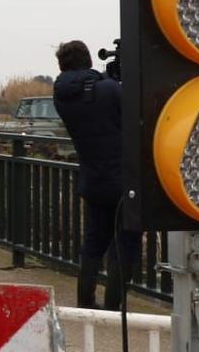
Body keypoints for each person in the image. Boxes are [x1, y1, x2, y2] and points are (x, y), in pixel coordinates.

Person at [52, 39, 139, 309]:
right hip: (125, 179)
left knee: (94, 241)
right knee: (126, 243)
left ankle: (86, 300)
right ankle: (115, 306)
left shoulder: (62, 95)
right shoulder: (110, 89)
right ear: (88, 60)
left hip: (93, 179)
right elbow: (133, 117)